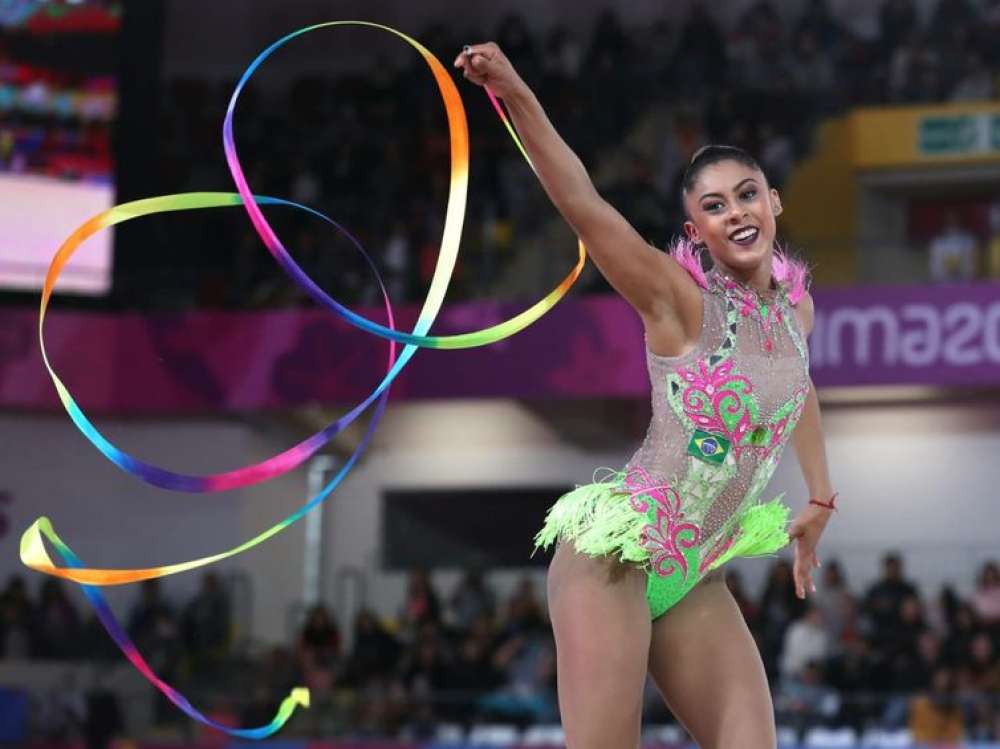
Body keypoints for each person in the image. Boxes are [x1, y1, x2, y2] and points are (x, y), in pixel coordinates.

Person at [455, 43, 837, 749]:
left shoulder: (796, 315)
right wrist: (514, 91)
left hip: (698, 572)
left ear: (774, 200)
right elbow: (581, 202)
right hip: (616, 557)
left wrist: (820, 495)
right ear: (697, 231)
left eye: (748, 194)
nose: (738, 213)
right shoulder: (676, 299)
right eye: (714, 206)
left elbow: (798, 385)